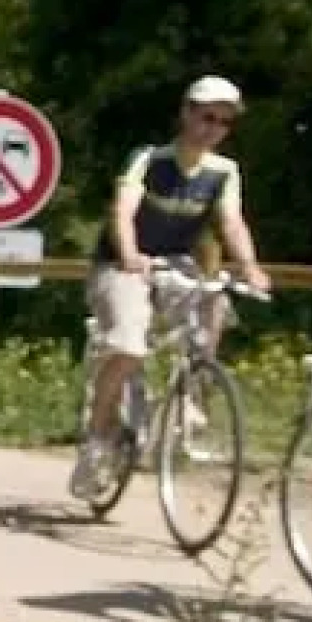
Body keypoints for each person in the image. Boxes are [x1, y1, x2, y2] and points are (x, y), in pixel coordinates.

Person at [69, 75, 274, 502]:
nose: (212, 128)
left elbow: (232, 222)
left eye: (223, 123)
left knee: (214, 301)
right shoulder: (149, 159)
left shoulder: (223, 172)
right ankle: (97, 439)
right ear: (185, 113)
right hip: (122, 262)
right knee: (127, 345)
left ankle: (192, 394)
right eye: (206, 117)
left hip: (176, 263)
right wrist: (129, 254)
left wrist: (250, 266)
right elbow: (122, 210)